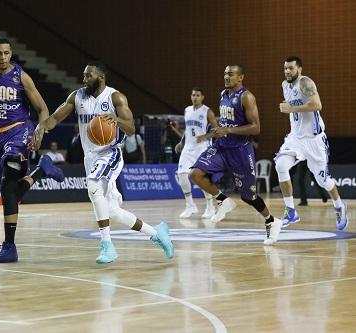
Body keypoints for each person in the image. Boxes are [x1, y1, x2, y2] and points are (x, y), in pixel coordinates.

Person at [31, 61, 174, 264]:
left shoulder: (115, 97)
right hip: (90, 156)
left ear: (101, 77)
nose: (84, 79)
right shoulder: (77, 96)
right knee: (113, 212)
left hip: (110, 153)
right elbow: (54, 118)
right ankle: (157, 233)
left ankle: (107, 245)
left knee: (93, 186)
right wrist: (40, 127)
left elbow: (132, 128)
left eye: (89, 75)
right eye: (84, 75)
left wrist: (116, 119)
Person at [0, 37, 64, 263]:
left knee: (8, 184)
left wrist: (38, 132)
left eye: (7, 53)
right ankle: (41, 170)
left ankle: (10, 246)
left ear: (11, 54)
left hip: (20, 132)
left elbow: (42, 109)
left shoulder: (21, 77)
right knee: (9, 193)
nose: (3, 57)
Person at [189, 65, 282, 245]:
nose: (226, 76)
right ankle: (223, 200)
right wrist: (217, 130)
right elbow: (226, 121)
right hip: (222, 147)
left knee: (249, 196)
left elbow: (256, 127)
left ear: (241, 77)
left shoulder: (247, 97)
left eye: (230, 74)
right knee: (195, 174)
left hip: (240, 151)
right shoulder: (223, 94)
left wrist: (229, 130)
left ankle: (271, 220)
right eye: (225, 73)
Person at [274, 56, 348, 230]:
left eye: (291, 68)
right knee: (280, 165)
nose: (287, 71)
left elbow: (317, 105)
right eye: (285, 68)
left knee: (323, 181)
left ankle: (339, 205)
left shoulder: (305, 82)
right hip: (295, 138)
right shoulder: (285, 85)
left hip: (314, 140)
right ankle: (290, 211)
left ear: (299, 69)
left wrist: (292, 108)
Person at [175, 88, 218, 219]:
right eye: (193, 95)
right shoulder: (187, 110)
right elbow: (188, 130)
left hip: (202, 147)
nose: (195, 97)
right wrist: (181, 142)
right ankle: (190, 205)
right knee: (182, 175)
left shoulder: (207, 111)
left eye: (198, 95)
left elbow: (217, 130)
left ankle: (210, 207)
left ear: (202, 97)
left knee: (202, 178)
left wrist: (205, 136)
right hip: (188, 148)